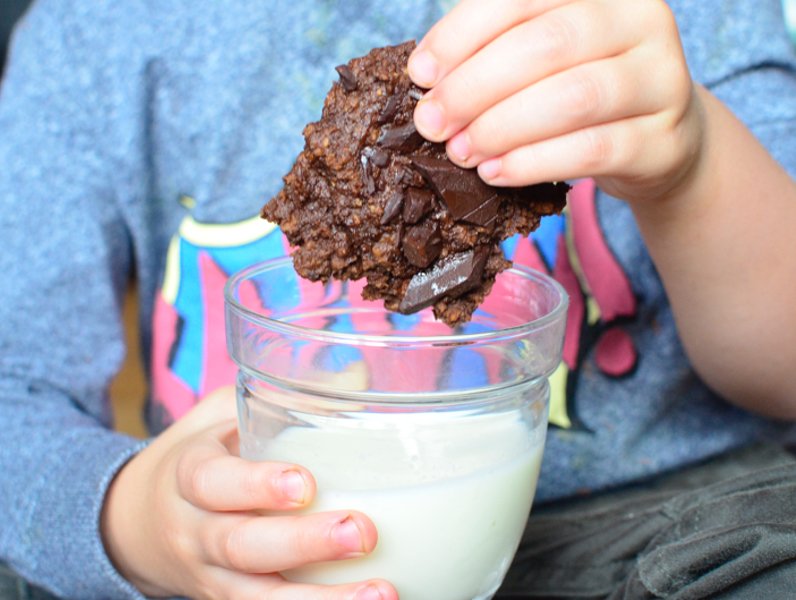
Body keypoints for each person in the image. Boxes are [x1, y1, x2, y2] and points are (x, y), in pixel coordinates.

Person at [0, 0, 795, 598]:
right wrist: (133, 517)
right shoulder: (92, 34)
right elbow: (14, 392)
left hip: (692, 531)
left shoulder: (678, 15)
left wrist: (693, 164)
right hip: (277, 559)